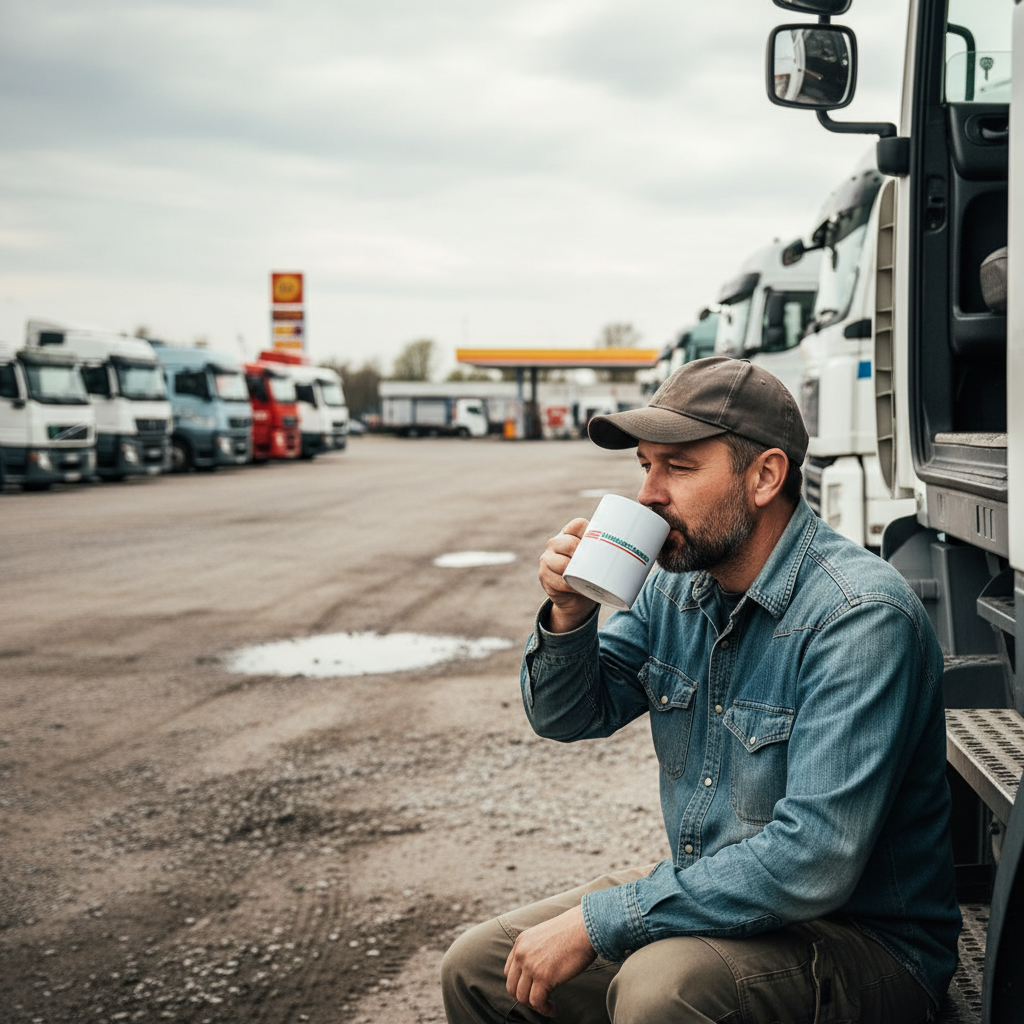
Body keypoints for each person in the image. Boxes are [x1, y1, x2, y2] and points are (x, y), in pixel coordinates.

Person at [441, 357, 960, 1024]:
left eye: (678, 468)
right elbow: (568, 717)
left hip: (865, 945)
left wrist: (601, 921)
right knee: (480, 967)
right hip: (721, 909)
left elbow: (813, 859)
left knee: (662, 990)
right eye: (645, 466)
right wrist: (570, 615)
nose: (648, 495)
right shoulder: (674, 586)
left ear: (765, 476)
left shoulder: (858, 616)